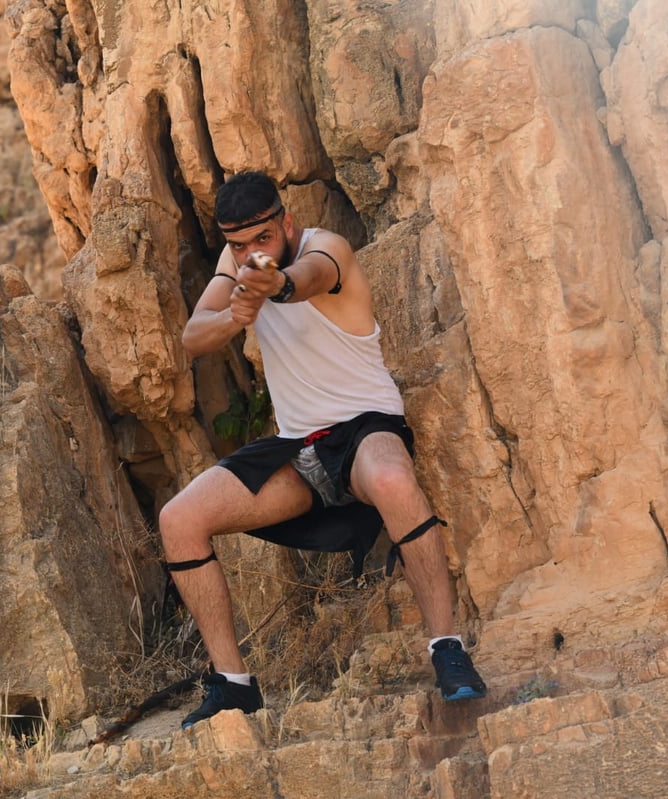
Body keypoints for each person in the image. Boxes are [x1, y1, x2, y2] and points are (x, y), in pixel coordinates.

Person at [160, 171, 486, 729]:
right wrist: (234, 313)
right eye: (238, 245)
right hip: (297, 449)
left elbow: (305, 280)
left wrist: (269, 283)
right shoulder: (237, 264)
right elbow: (193, 337)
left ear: (286, 223)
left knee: (389, 478)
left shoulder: (324, 247)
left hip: (363, 428)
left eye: (261, 238)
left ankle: (447, 648)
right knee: (178, 519)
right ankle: (234, 686)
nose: (248, 253)